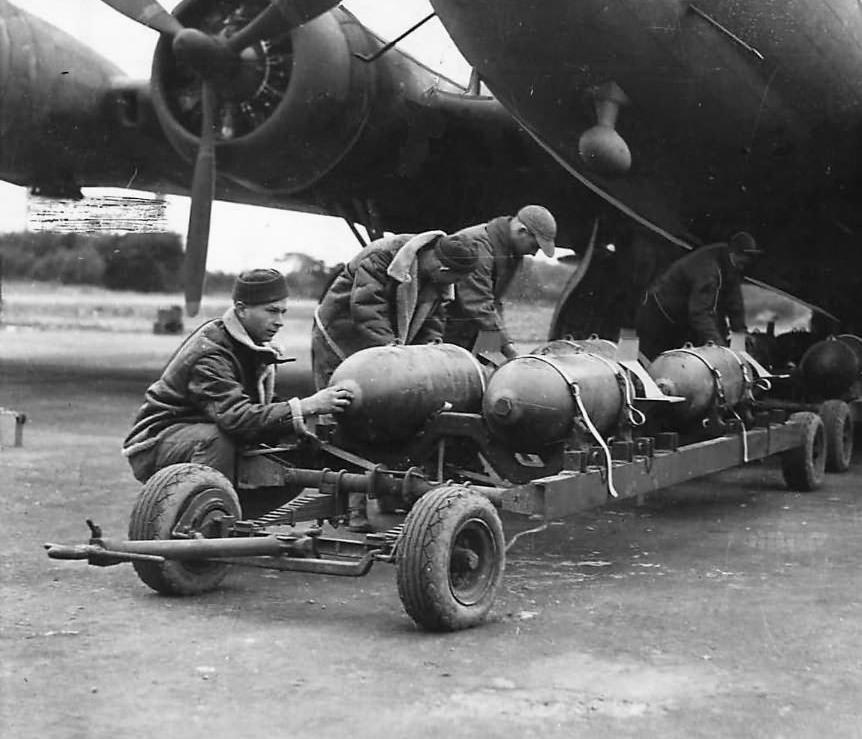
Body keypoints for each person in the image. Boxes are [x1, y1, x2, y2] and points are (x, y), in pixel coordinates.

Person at [311, 230, 480, 531]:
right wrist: (394, 354)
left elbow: (434, 318)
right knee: (348, 415)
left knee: (398, 411)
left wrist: (431, 347)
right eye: (451, 279)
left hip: (390, 350)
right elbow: (366, 307)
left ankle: (389, 493)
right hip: (342, 342)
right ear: (443, 269)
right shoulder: (381, 256)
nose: (450, 287)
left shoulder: (434, 274)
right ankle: (350, 506)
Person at [123, 268, 354, 485]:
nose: (280, 322)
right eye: (271, 311)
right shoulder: (212, 353)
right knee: (215, 440)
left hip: (193, 430)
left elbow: (257, 408)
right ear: (242, 309)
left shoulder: (249, 345)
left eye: (283, 312)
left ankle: (234, 514)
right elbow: (237, 419)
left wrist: (300, 431)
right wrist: (307, 405)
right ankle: (206, 520)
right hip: (155, 443)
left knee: (293, 445)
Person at [443, 205, 557, 360]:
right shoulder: (477, 245)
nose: (533, 253)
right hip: (440, 329)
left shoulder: (510, 253)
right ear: (522, 231)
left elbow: (493, 304)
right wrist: (508, 350)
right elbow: (478, 304)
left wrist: (490, 356)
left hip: (463, 329)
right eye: (534, 245)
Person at [634, 231, 763, 361]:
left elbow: (735, 304)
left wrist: (740, 338)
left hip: (683, 317)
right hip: (659, 317)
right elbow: (700, 313)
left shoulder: (731, 264)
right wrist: (721, 349)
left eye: (745, 265)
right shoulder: (708, 270)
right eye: (741, 263)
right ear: (733, 253)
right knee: (659, 365)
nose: (742, 267)